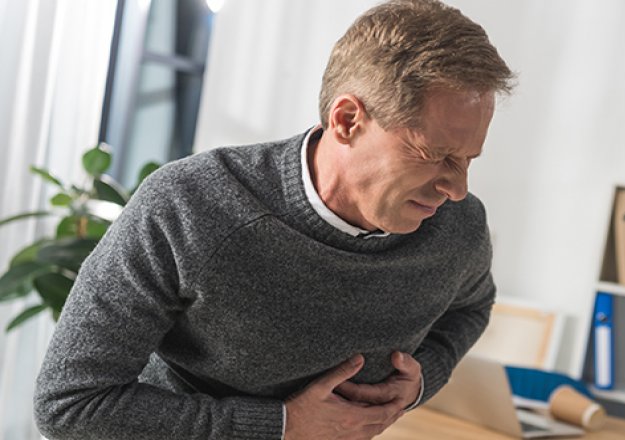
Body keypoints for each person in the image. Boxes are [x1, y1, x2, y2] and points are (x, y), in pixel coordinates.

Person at [34, 0, 514, 439]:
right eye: (434, 155)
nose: (457, 188)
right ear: (347, 121)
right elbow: (70, 404)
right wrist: (280, 426)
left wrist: (423, 378)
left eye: (468, 159)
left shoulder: (457, 227)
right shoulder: (190, 206)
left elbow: (471, 307)